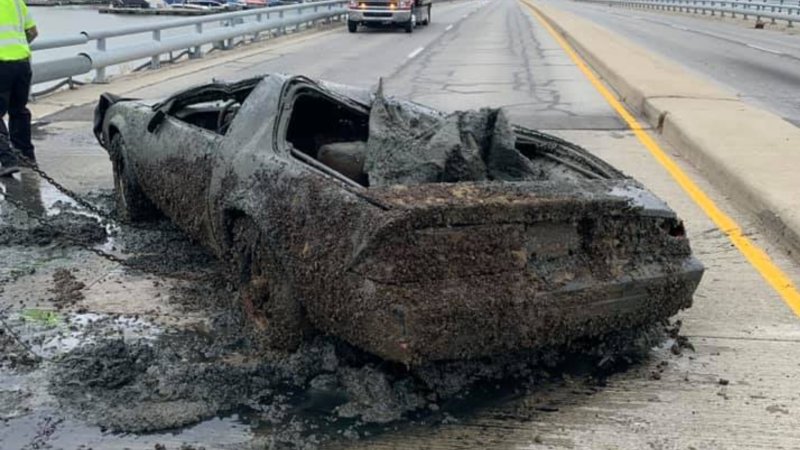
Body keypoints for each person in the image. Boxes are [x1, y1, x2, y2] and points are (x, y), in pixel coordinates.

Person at [0, 0, 37, 177]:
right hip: (22, 63)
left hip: (1, 65)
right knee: (19, 111)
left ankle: (7, 160)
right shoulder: (16, 2)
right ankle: (26, 157)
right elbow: (32, 32)